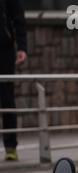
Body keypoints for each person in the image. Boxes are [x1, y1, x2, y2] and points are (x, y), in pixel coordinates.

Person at [0, 0, 27, 161]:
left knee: (7, 98)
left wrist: (22, 47)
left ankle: (10, 147)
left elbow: (18, 18)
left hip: (5, 50)